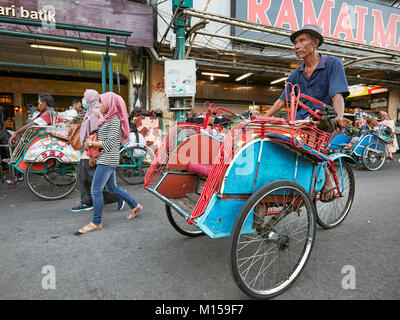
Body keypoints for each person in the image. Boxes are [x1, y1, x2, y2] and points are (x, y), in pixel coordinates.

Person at [265, 24, 349, 202]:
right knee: (276, 142)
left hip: (323, 119)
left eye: (302, 40)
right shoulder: (296, 74)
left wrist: (339, 117)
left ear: (315, 42)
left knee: (312, 147)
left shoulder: (333, 64)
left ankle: (328, 180)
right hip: (300, 120)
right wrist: (263, 118)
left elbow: (337, 94)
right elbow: (282, 100)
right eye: (295, 42)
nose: (297, 45)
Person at [78, 92, 142, 234]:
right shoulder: (107, 119)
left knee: (95, 190)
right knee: (112, 188)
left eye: (102, 102)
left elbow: (111, 144)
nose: (100, 105)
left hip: (108, 159)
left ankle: (96, 221)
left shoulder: (115, 121)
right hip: (106, 158)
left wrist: (91, 142)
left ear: (110, 104)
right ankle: (135, 205)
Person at [71, 89, 118, 212]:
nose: (83, 99)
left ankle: (115, 196)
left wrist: (92, 155)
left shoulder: (96, 112)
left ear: (91, 98)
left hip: (91, 149)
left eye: (85, 96)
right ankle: (87, 201)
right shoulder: (90, 111)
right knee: (84, 177)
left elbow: (95, 134)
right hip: (87, 148)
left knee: (91, 178)